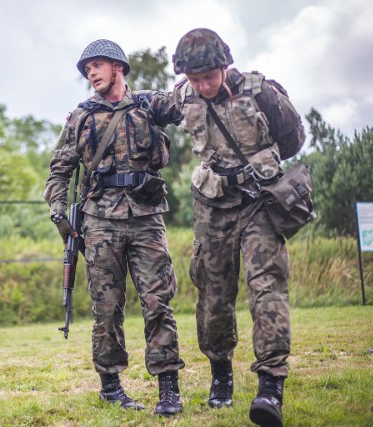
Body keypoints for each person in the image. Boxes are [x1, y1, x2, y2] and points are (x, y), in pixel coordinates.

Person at [171, 28, 306, 427]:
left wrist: (258, 161)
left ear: (224, 65)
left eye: (209, 77)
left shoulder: (260, 92)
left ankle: (270, 386)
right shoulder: (183, 95)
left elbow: (293, 136)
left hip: (259, 201)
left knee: (267, 287)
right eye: (195, 79)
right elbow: (150, 108)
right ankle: (221, 374)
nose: (203, 85)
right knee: (213, 295)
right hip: (212, 204)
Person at [43, 39, 185, 416]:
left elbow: (182, 101)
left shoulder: (147, 104)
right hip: (100, 221)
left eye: (98, 65)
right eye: (87, 68)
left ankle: (168, 388)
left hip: (146, 218)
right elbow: (59, 170)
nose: (91, 73)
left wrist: (199, 71)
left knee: (158, 301)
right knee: (107, 308)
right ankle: (111, 387)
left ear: (118, 67)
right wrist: (60, 213)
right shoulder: (81, 117)